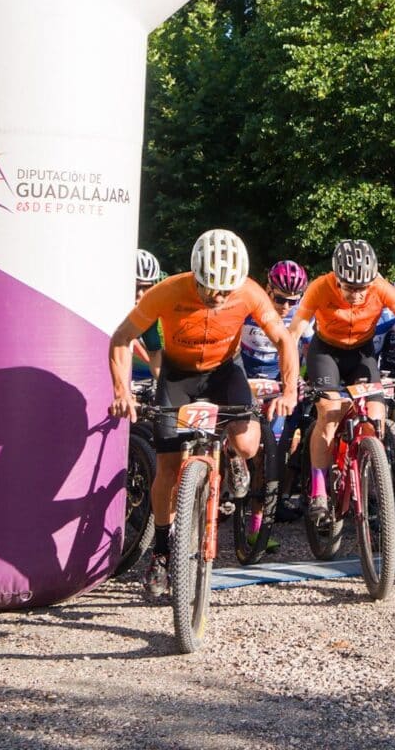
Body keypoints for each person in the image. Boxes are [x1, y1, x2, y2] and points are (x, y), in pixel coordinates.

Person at [108, 229, 299, 601]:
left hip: (225, 372)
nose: (219, 297)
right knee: (168, 470)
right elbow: (120, 337)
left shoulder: (249, 291)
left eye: (226, 291)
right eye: (210, 288)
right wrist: (121, 392)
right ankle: (162, 552)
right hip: (178, 377)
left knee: (246, 444)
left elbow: (283, 338)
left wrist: (290, 389)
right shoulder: (168, 291)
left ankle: (228, 452)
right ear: (195, 274)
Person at [287, 239, 395, 527]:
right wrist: (292, 378)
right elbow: (293, 334)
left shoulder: (381, 288)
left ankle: (368, 472)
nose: (356, 295)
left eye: (363, 288)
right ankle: (318, 489)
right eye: (349, 288)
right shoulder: (320, 287)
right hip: (326, 352)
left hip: (362, 354)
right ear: (336, 278)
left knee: (376, 419)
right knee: (329, 414)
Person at [131, 250, 165, 381]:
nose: (140, 294)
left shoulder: (146, 311)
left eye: (146, 288)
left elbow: (154, 352)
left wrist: (163, 385)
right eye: (136, 287)